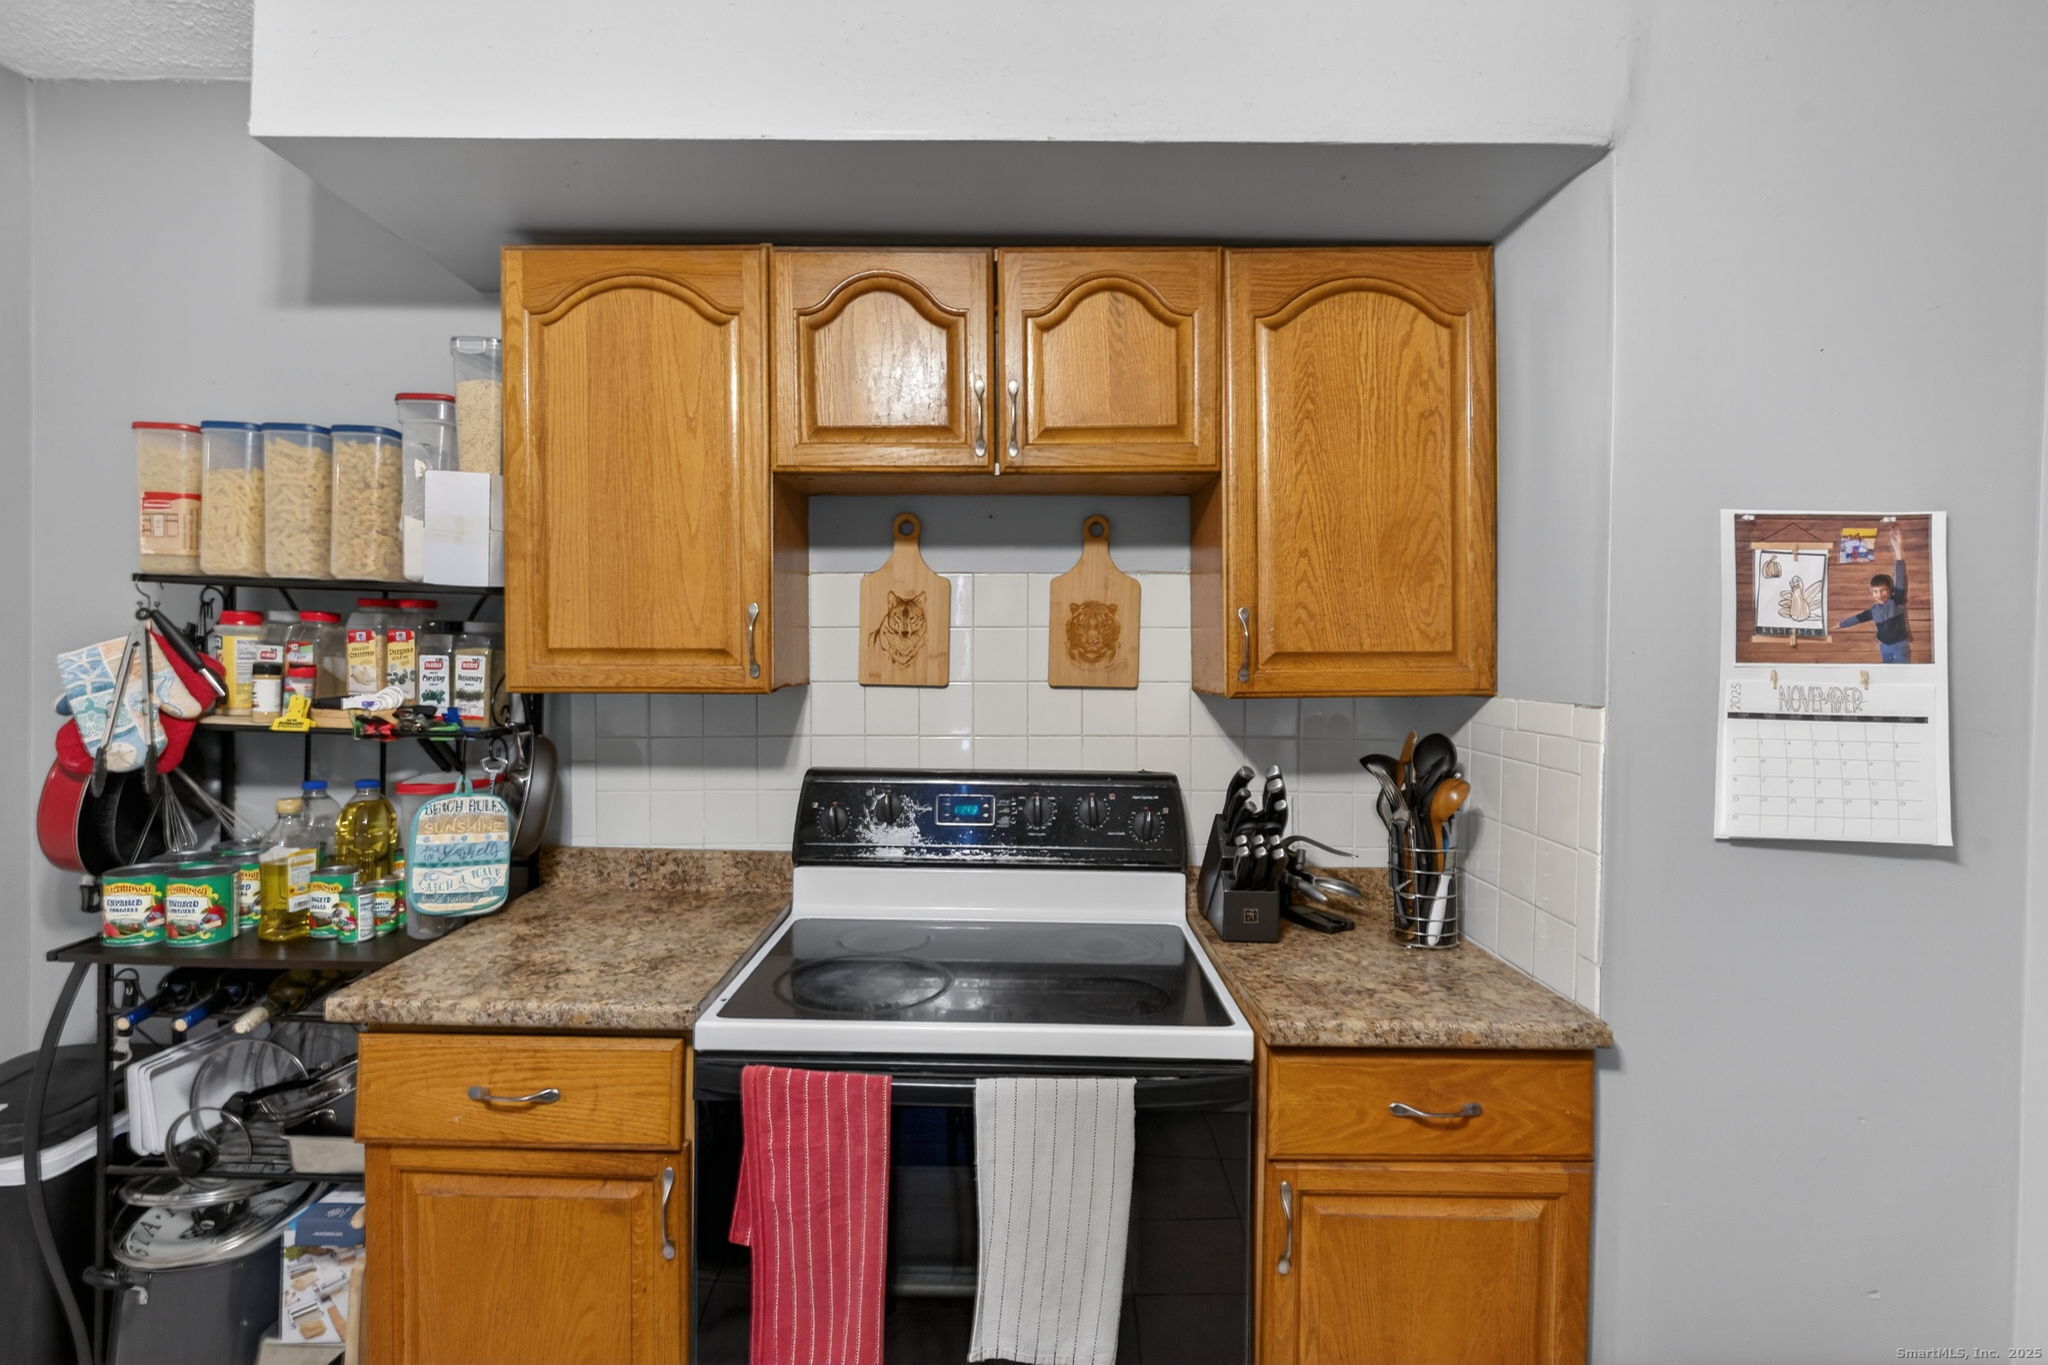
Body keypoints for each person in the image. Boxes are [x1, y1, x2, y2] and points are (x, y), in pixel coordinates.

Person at [1836, 526, 1911, 663]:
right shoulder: (1873, 611)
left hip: (1900, 646)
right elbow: (1857, 618)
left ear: (1891, 591)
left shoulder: (1897, 601)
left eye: (1883, 590)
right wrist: (1841, 624)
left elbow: (1900, 577)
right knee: (1886, 674)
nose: (1879, 594)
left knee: (1902, 674)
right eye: (1875, 591)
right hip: (1884, 647)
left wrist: (1898, 549)